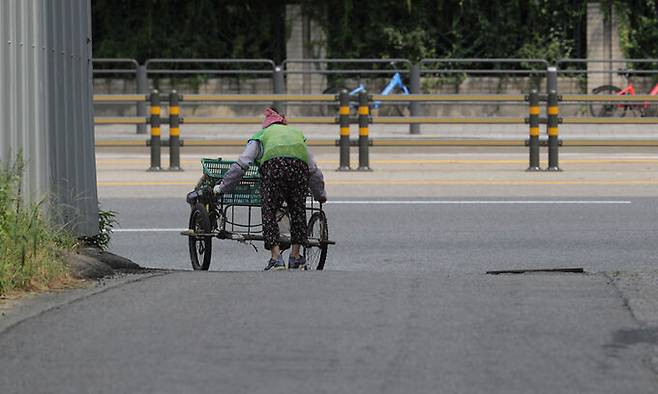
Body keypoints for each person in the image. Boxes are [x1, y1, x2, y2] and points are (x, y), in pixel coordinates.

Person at [213, 106, 327, 271]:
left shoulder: (261, 135)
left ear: (266, 124)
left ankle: (276, 258)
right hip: (299, 169)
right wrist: (320, 194)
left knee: (269, 210)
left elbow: (241, 165)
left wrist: (223, 187)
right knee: (298, 210)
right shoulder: (296, 134)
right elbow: (313, 169)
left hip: (274, 169)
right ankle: (296, 257)